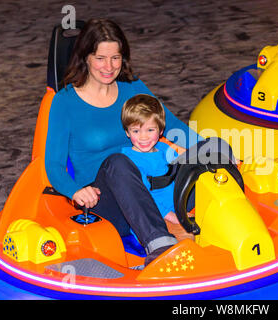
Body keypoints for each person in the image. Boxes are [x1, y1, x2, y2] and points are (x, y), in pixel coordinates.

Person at [45, 18, 200, 268]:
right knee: (119, 161)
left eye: (115, 58)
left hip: (149, 186)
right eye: (100, 58)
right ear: (85, 57)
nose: (109, 66)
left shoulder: (132, 87)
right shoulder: (65, 102)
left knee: (196, 168)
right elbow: (53, 165)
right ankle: (159, 245)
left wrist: (210, 150)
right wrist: (75, 190)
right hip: (104, 202)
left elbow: (171, 125)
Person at [120, 94, 181, 225]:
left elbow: (181, 172)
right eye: (136, 131)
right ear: (127, 132)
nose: (143, 137)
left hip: (177, 209)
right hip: (152, 218)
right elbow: (142, 197)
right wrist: (170, 216)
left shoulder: (165, 149)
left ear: (160, 131)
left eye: (150, 130)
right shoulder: (128, 161)